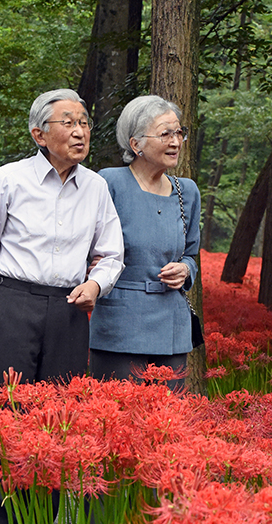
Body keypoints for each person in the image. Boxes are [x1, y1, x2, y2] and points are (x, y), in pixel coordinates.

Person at [0, 88, 124, 524]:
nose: (80, 131)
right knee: (3, 428)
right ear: (40, 134)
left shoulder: (96, 186)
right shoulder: (9, 178)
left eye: (85, 123)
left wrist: (97, 285)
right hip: (11, 304)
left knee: (57, 429)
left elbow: (113, 252)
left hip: (69, 312)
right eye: (68, 122)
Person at [89, 95, 201, 387]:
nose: (176, 141)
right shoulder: (109, 182)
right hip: (119, 328)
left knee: (168, 424)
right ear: (135, 144)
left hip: (172, 329)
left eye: (179, 133)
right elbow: (87, 243)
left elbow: (191, 254)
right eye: (165, 133)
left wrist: (186, 271)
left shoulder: (186, 192)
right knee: (116, 421)